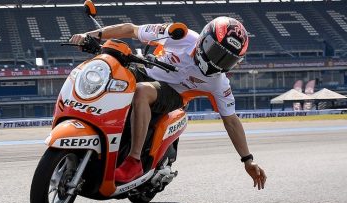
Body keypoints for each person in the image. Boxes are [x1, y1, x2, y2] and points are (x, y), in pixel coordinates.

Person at [70, 17, 267, 189]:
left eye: (227, 60)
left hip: (173, 93)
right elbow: (131, 29)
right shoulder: (181, 35)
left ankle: (134, 160)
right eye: (216, 52)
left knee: (141, 91)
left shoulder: (218, 83)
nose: (218, 62)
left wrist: (247, 160)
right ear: (204, 39)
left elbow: (231, 121)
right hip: (146, 69)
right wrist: (90, 35)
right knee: (108, 65)